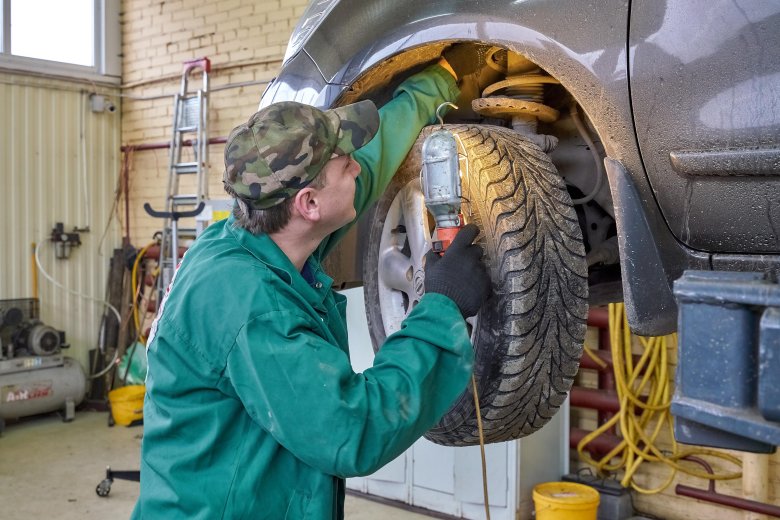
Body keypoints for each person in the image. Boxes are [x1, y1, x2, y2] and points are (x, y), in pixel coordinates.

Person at [131, 45, 491, 520]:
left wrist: (439, 82)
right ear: (308, 204)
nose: (358, 167)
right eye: (345, 163)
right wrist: (442, 304)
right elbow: (352, 427)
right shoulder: (253, 309)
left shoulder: (258, 235)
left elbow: (375, 158)